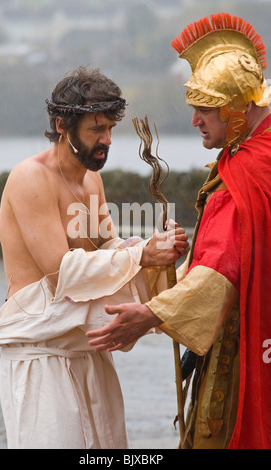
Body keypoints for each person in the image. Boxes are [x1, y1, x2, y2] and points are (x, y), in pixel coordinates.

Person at [87, 14, 271, 449]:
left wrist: (150, 315)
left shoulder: (244, 172)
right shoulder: (258, 155)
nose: (194, 121)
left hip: (241, 343)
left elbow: (220, 274)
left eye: (204, 109)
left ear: (239, 107)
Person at [0, 66, 188, 449]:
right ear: (62, 125)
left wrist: (157, 251)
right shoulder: (30, 178)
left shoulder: (90, 178)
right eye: (97, 129)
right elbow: (61, 272)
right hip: (40, 356)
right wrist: (141, 254)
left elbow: (107, 251)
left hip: (88, 349)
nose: (107, 140)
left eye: (111, 128)